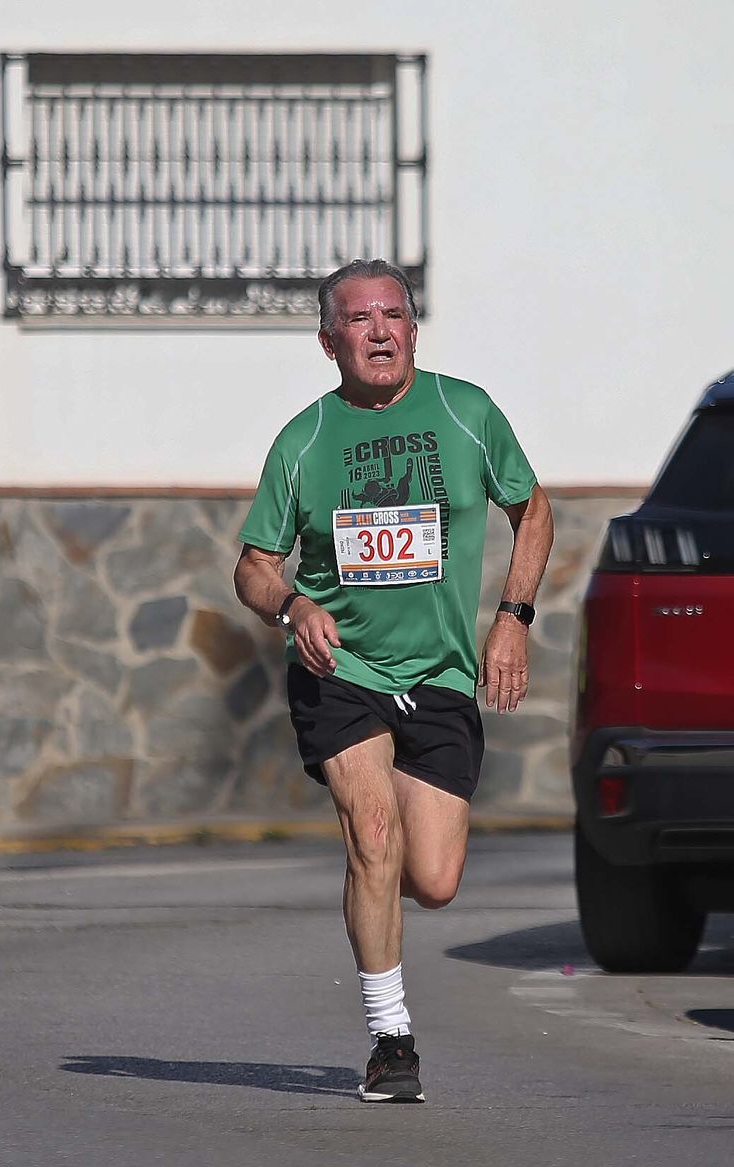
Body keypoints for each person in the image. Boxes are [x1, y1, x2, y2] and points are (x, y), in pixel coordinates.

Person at [233, 259, 553, 1103]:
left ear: (413, 329)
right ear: (328, 341)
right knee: (372, 833)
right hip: (340, 670)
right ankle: (391, 1038)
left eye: (394, 315)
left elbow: (533, 508)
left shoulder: (466, 410)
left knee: (435, 877)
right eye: (360, 319)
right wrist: (293, 606)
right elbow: (254, 567)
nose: (380, 331)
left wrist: (513, 615)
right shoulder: (303, 439)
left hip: (441, 670)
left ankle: (375, 885)